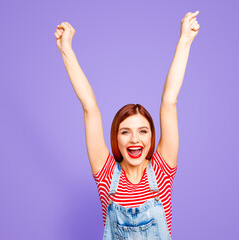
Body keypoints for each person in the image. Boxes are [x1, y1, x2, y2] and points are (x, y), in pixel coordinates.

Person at [54, 11, 200, 240]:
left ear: (152, 137)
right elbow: (89, 107)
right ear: (117, 139)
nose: (134, 139)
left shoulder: (162, 171)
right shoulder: (106, 175)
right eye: (125, 132)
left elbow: (169, 101)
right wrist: (66, 50)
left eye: (143, 131)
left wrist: (185, 40)